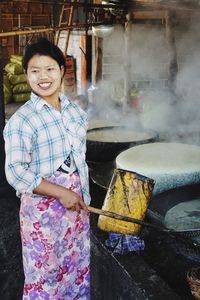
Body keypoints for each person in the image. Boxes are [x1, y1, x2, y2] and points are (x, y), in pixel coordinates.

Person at [3, 37, 91, 299]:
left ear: (62, 71)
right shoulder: (22, 120)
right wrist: (61, 192)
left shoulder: (75, 111)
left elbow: (80, 158)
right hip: (42, 213)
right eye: (35, 70)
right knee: (45, 276)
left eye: (50, 69)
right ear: (26, 74)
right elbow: (16, 172)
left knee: (76, 268)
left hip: (75, 207)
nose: (43, 76)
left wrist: (79, 191)